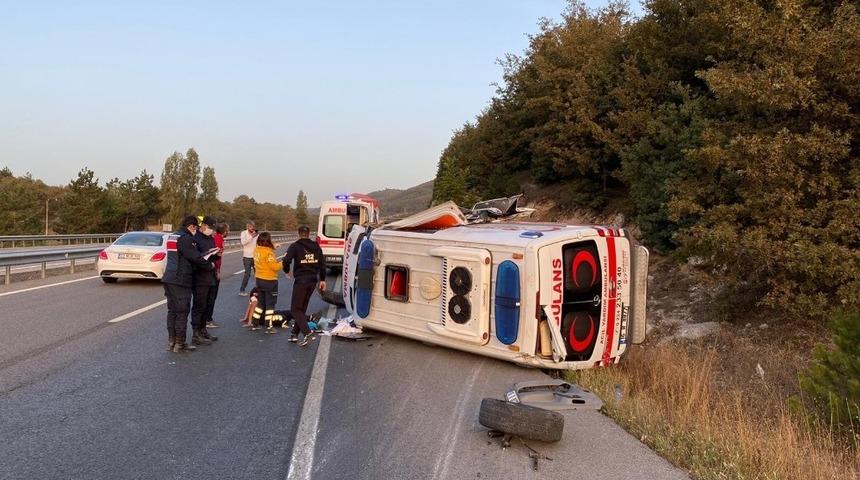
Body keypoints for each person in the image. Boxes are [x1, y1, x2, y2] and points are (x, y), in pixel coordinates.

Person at [162, 215, 214, 353]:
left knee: (172, 311)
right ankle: (180, 344)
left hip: (169, 277)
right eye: (195, 228)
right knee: (181, 312)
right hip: (181, 279)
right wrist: (209, 265)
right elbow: (194, 257)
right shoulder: (185, 238)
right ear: (191, 226)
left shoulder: (173, 236)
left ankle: (172, 342)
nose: (195, 231)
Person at [282, 225, 326, 346]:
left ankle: (307, 332)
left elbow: (286, 260)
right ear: (308, 234)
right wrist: (322, 279)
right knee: (301, 308)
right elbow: (322, 263)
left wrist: (286, 270)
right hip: (313, 280)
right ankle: (294, 334)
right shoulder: (316, 246)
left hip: (301, 280)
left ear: (299, 233)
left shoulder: (295, 246)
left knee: (295, 309)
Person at [190, 216, 220, 346]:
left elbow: (211, 256)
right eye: (210, 228)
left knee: (208, 304)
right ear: (204, 225)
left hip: (210, 276)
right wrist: (208, 262)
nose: (211, 230)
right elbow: (196, 258)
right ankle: (196, 333)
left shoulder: (210, 239)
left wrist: (216, 254)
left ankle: (203, 330)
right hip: (200, 277)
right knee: (199, 305)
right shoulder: (195, 238)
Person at [253, 231, 284, 334]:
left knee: (260, 303)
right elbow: (275, 267)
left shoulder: (256, 250)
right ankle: (269, 326)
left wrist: (274, 247)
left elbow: (265, 251)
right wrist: (283, 262)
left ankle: (255, 323)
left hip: (259, 279)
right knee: (270, 305)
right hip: (270, 280)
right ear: (268, 241)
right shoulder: (269, 253)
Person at [205, 222, 228, 329]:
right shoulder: (218, 239)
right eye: (227, 230)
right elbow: (216, 255)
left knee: (209, 296)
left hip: (211, 269)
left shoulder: (216, 237)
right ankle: (208, 319)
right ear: (225, 231)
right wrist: (217, 270)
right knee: (211, 296)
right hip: (213, 270)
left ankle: (206, 318)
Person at [239, 221, 258, 296]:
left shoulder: (256, 234)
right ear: (247, 227)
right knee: (247, 274)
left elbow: (258, 244)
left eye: (253, 226)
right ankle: (242, 290)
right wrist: (251, 237)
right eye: (250, 226)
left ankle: (258, 290)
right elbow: (243, 243)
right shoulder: (243, 233)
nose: (252, 228)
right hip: (247, 256)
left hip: (255, 256)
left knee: (258, 274)